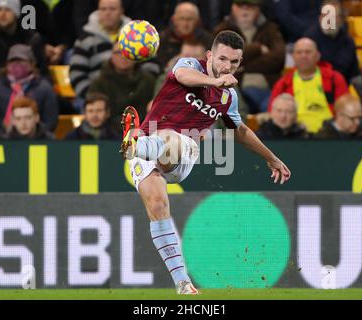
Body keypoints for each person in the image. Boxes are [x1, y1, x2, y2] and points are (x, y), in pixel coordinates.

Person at [119, 30, 291, 294]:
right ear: (209, 55)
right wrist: (216, 81)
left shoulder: (229, 99)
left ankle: (136, 145)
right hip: (149, 145)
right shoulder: (188, 65)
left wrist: (271, 157)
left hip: (181, 151)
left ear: (240, 63)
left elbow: (240, 131)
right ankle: (183, 284)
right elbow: (184, 77)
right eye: (222, 59)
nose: (227, 66)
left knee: (168, 138)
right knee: (157, 204)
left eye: (234, 63)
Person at [214, 0, 285, 113]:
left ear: (258, 9)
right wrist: (257, 48)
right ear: (233, 7)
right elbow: (222, 60)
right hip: (235, 89)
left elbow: (279, 58)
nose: (245, 9)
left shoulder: (270, 29)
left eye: (250, 6)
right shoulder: (222, 30)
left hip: (270, 88)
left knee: (280, 107)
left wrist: (243, 66)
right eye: (240, 5)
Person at [268, 38, 348, 134]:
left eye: (308, 52)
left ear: (317, 56)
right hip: (294, 135)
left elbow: (346, 111)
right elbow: (273, 113)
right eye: (299, 52)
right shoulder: (283, 84)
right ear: (293, 56)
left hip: (330, 135)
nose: (303, 56)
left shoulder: (334, 79)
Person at [0, 44, 59, 134]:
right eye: (13, 61)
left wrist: (35, 135)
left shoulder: (44, 87)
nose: (16, 65)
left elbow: (50, 121)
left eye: (21, 61)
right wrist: (0, 137)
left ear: (32, 64)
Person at [0, 0, 48, 88]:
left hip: (28, 85)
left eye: (8, 10)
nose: (2, 14)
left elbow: (42, 71)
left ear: (16, 13)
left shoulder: (29, 36)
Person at [87, 42, 155, 136]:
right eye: (118, 52)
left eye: (128, 52)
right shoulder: (99, 83)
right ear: (111, 55)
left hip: (143, 136)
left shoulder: (148, 81)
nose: (123, 56)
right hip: (108, 137)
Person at [69, 0, 131, 98]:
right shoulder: (85, 40)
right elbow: (76, 73)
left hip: (132, 95)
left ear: (122, 11)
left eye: (112, 9)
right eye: (103, 9)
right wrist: (92, 96)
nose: (107, 13)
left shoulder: (134, 37)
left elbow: (150, 65)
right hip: (95, 97)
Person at [304, 0, 360, 83]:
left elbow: (354, 73)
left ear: (341, 20)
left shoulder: (348, 41)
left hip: (343, 87)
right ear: (320, 18)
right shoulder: (309, 40)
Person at [156, 2, 213, 71]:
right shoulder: (163, 39)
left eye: (189, 19)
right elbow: (160, 66)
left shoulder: (207, 40)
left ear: (197, 21)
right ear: (174, 20)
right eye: (181, 19)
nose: (185, 24)